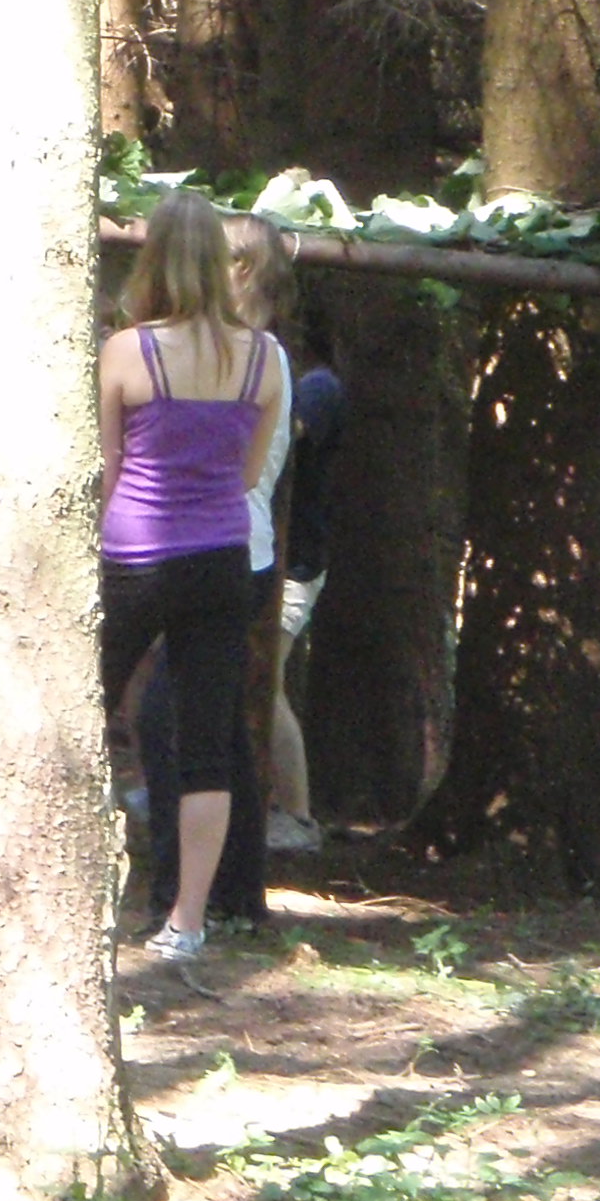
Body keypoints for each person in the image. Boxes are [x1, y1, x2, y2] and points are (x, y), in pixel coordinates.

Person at [102, 187, 287, 961]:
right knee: (208, 743)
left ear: (153, 261)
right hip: (220, 559)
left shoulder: (128, 350)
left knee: (84, 712)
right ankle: (188, 923)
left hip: (135, 554)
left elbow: (110, 463)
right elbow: (247, 472)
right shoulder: (264, 357)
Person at [271, 312, 349, 845]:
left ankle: (298, 817)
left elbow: (285, 436)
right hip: (268, 555)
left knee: (265, 682)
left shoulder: (319, 386)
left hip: (295, 563)